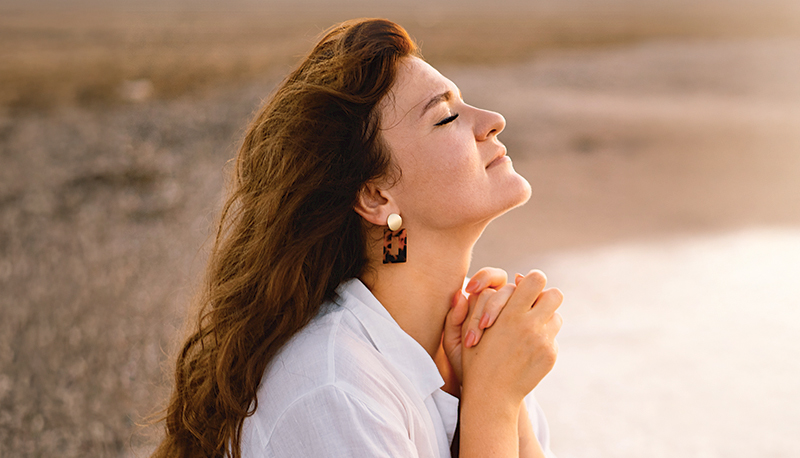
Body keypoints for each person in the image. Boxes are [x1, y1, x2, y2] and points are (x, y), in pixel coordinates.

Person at [153, 18, 563, 458]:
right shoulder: (332, 387)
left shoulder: (478, 348)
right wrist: (494, 402)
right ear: (376, 196)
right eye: (446, 117)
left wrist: (499, 395)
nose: (493, 121)